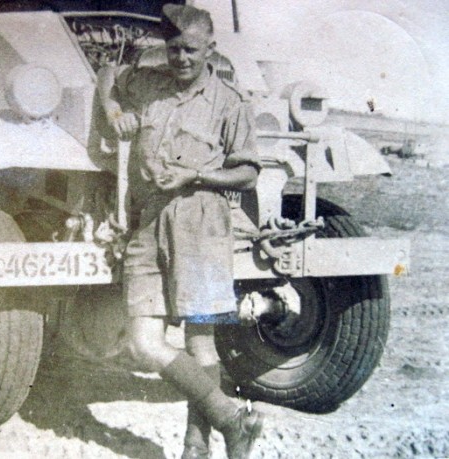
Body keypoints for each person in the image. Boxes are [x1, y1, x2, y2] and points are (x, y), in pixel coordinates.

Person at [97, 4, 264, 459]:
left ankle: (196, 445)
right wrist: (115, 112)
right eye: (173, 49)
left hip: (203, 224)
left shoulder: (230, 102)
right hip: (149, 222)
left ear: (210, 48)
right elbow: (107, 75)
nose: (182, 59)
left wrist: (196, 176)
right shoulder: (149, 85)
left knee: (200, 339)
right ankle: (232, 421)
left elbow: (248, 172)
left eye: (191, 50)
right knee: (144, 343)